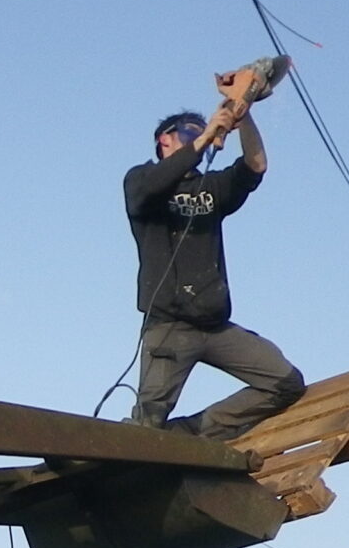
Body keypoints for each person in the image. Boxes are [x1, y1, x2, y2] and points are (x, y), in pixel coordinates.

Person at [122, 70, 305, 441]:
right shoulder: (142, 179)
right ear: (165, 142)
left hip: (214, 325)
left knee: (285, 382)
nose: (198, 136)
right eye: (187, 132)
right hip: (169, 327)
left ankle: (189, 436)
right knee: (144, 430)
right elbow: (151, 187)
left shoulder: (211, 187)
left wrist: (244, 112)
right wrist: (206, 135)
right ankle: (146, 450)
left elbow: (255, 167)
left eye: (199, 130)